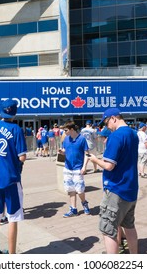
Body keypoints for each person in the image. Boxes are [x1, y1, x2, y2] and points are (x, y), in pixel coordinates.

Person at [88, 108, 139, 254]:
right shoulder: (133, 134)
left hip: (116, 188)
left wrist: (95, 159)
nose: (106, 126)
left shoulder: (116, 136)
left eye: (106, 122)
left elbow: (109, 165)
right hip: (131, 187)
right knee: (129, 225)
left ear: (113, 118)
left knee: (108, 228)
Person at [0, 99, 27, 254]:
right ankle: (12, 255)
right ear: (14, 112)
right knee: (13, 217)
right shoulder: (16, 129)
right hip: (10, 178)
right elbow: (22, 157)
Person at [58, 120, 90, 218]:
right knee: (70, 189)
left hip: (78, 168)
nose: (64, 132)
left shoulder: (82, 139)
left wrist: (84, 166)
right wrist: (62, 152)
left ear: (72, 129)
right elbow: (65, 151)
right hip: (68, 168)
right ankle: (73, 209)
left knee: (80, 190)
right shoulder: (66, 139)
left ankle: (84, 203)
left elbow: (87, 154)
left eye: (66, 130)